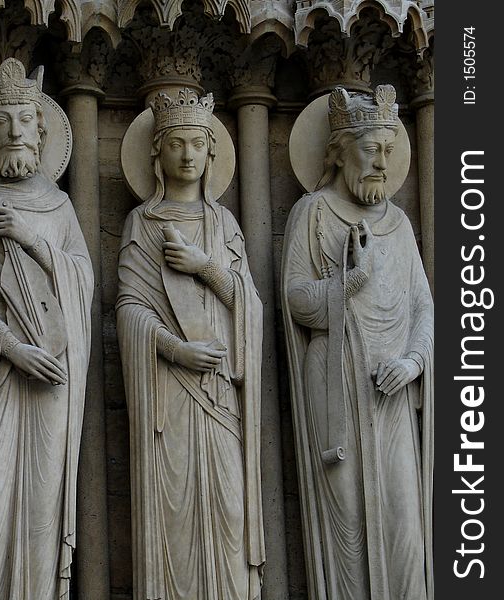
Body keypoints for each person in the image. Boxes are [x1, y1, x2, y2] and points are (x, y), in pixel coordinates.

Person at [0, 57, 93, 599]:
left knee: (42, 505)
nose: (13, 130)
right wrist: (8, 347)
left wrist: (33, 238)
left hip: (50, 369)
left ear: (40, 128)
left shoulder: (58, 204)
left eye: (24, 120)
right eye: (2, 120)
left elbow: (83, 279)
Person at [281, 84, 433, 600]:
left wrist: (414, 361)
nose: (382, 163)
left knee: (403, 524)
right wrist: (348, 282)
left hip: (390, 397)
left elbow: (422, 306)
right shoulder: (314, 213)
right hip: (336, 387)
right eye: (371, 149)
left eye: (389, 151)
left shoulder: (399, 223)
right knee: (345, 528)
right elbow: (297, 300)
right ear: (340, 151)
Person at [116, 88, 264, 600]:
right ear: (157, 151)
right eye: (176, 143)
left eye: (197, 144)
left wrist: (205, 267)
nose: (187, 155)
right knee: (174, 516)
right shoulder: (142, 223)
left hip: (222, 394)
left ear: (211, 152)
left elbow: (250, 305)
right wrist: (174, 350)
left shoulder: (223, 224)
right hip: (170, 392)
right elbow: (128, 309)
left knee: (227, 511)